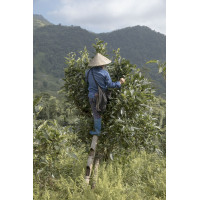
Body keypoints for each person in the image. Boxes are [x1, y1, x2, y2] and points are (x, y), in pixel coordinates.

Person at [86, 53, 125, 136]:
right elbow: (110, 85)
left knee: (95, 113)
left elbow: (87, 82)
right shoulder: (105, 73)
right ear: (102, 64)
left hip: (91, 96)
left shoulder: (88, 72)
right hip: (100, 97)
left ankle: (97, 129)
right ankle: (98, 131)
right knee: (99, 113)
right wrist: (120, 82)